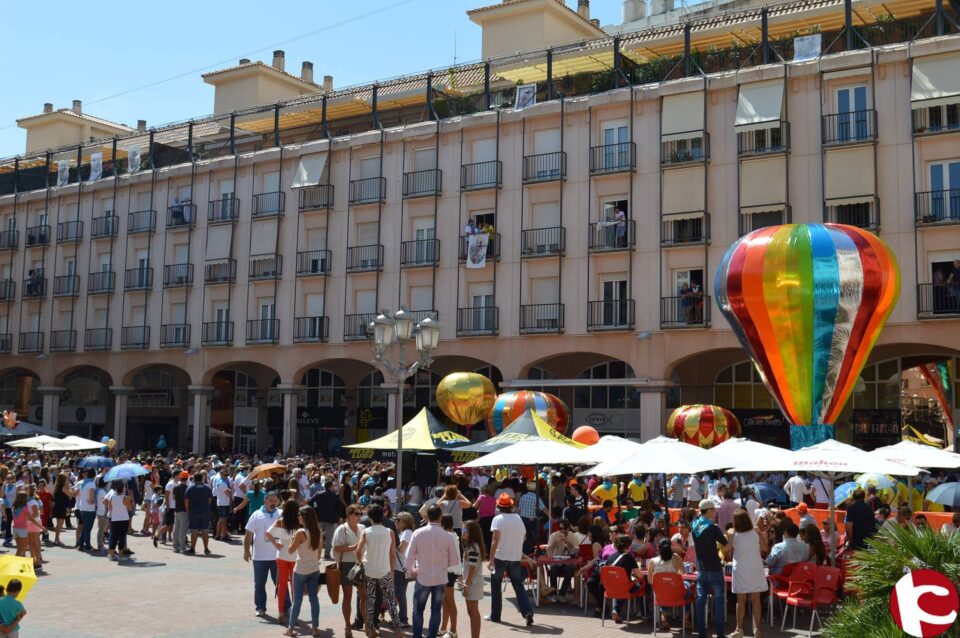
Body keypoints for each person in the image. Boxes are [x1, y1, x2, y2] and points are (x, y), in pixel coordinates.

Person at [406, 505, 460, 638]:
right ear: (440, 517)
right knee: (436, 610)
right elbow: (454, 561)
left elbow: (408, 556)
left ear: (427, 516)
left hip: (423, 577)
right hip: (440, 578)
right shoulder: (447, 536)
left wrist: (411, 569)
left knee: (418, 610)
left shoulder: (418, 533)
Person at [487, 493, 534, 626]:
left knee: (496, 586)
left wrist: (491, 560)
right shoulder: (518, 518)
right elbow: (523, 537)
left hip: (500, 556)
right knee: (518, 586)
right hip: (514, 557)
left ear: (499, 506)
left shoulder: (498, 519)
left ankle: (495, 615)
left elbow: (494, 540)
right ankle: (527, 612)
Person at [356, 504, 401, 638]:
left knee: (370, 600)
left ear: (369, 517)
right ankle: (398, 630)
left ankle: (370, 630)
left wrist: (360, 562)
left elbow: (358, 550)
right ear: (383, 515)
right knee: (390, 601)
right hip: (385, 569)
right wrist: (392, 571)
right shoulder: (390, 532)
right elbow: (393, 554)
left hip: (369, 570)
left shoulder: (366, 532)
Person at [727, 509, 766, 638]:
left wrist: (730, 538)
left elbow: (727, 550)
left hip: (741, 569)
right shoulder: (756, 532)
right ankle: (758, 630)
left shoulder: (734, 534)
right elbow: (765, 549)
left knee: (741, 600)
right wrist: (760, 535)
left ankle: (739, 629)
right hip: (755, 567)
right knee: (756, 600)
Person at [285, 505, 323, 637]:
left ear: (304, 517)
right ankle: (315, 628)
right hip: (314, 569)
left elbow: (290, 550)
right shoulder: (318, 531)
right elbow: (319, 554)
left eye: (299, 515)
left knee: (297, 600)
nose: (298, 517)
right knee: (314, 598)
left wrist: (291, 541)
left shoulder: (300, 533)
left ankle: (290, 629)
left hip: (301, 569)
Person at [586, 534, 642, 624]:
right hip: (622, 588)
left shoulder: (611, 556)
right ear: (629, 546)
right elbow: (640, 576)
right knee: (637, 585)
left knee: (621, 587)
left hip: (609, 587)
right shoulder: (630, 558)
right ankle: (641, 612)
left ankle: (616, 610)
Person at [244, 491, 282, 619]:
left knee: (281, 584)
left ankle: (286, 607)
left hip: (278, 556)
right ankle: (260, 607)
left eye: (275, 500)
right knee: (259, 584)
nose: (273, 503)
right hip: (260, 557)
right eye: (270, 500)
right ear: (264, 501)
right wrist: (246, 551)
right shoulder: (256, 515)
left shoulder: (281, 514)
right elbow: (248, 533)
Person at [691, 499, 727, 638]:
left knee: (701, 601)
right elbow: (725, 544)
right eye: (713, 509)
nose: (715, 511)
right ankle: (719, 634)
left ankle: (702, 633)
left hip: (701, 569)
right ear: (709, 510)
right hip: (714, 568)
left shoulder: (694, 525)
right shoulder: (713, 528)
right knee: (718, 601)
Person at [332, 504, 365, 638]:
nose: (359, 517)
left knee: (364, 596)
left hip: (361, 563)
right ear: (349, 515)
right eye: (356, 514)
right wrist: (354, 547)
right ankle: (347, 627)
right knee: (348, 596)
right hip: (346, 565)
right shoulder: (341, 529)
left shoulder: (363, 528)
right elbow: (337, 548)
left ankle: (368, 624)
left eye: (360, 514)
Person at [647, 538, 692, 630]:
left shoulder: (652, 561)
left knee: (663, 588)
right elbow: (683, 573)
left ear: (658, 548)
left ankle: (664, 618)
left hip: (660, 594)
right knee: (688, 589)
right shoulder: (676, 558)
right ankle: (686, 619)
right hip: (676, 592)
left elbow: (650, 581)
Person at [268, 500, 300, 626]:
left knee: (281, 585)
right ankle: (294, 614)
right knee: (294, 587)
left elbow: (268, 534)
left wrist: (276, 544)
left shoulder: (281, 521)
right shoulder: (299, 522)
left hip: (281, 556)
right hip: (295, 557)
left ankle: (281, 613)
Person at [460, 520, 485, 638]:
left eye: (465, 530)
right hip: (472, 582)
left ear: (472, 533)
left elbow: (472, 567)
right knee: (471, 611)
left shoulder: (472, 547)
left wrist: (466, 584)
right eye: (462, 530)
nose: (462, 532)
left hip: (473, 583)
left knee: (473, 611)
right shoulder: (472, 546)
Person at [308, 479, 343, 561]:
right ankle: (327, 554)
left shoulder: (318, 494)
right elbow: (340, 507)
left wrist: (316, 510)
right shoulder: (335, 496)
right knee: (329, 538)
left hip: (319, 518)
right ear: (330, 487)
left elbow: (310, 503)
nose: (334, 487)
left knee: (316, 536)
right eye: (333, 486)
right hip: (331, 520)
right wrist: (336, 515)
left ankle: (314, 553)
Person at [438, 515, 461, 638]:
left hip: (449, 571)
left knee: (449, 601)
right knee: (446, 601)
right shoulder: (452, 535)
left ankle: (453, 631)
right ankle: (443, 628)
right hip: (450, 571)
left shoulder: (448, 536)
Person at [394, 512, 416, 629]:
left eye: (399, 520)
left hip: (401, 569)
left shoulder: (407, 533)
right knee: (400, 594)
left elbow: (401, 549)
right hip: (402, 567)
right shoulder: (405, 533)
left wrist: (392, 544)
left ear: (405, 522)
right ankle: (401, 617)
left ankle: (403, 619)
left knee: (400, 594)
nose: (396, 522)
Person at [184, 471, 213, 555]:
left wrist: (187, 510)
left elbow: (186, 501)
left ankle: (192, 548)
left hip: (193, 511)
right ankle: (206, 549)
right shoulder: (207, 487)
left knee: (194, 530)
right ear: (202, 478)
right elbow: (209, 500)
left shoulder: (190, 488)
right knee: (205, 530)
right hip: (205, 511)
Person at [104, 480, 133, 562]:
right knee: (122, 537)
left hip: (114, 519)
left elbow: (109, 508)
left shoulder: (112, 497)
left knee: (114, 537)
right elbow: (130, 508)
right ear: (122, 489)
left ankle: (111, 554)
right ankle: (120, 555)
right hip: (124, 519)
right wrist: (129, 500)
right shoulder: (125, 498)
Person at [75, 468, 97, 551]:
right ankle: (87, 546)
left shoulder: (83, 482)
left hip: (82, 507)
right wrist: (92, 500)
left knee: (85, 528)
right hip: (89, 509)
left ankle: (81, 544)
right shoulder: (91, 483)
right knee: (88, 529)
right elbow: (91, 496)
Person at [212, 466, 232, 541]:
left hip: (223, 502)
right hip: (222, 503)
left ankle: (218, 535)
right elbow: (228, 493)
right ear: (221, 474)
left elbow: (229, 492)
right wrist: (229, 491)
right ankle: (223, 535)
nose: (227, 476)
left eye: (227, 475)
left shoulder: (223, 481)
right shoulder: (221, 482)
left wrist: (229, 491)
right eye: (225, 475)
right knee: (223, 520)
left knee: (221, 520)